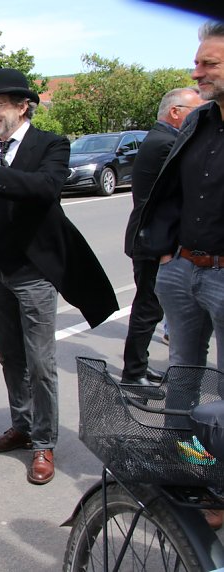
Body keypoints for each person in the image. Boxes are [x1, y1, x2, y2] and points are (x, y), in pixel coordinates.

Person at [0, 68, 118, 485]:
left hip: (33, 274)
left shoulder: (51, 145)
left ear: (22, 106)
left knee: (41, 363)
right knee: (10, 356)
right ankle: (22, 425)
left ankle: (44, 443)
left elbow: (46, 188)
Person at [135, 21, 224, 530]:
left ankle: (219, 490)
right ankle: (184, 469)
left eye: (208, 63)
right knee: (184, 377)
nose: (198, 72)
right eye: (198, 62)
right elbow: (168, 189)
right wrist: (168, 254)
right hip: (185, 268)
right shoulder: (200, 121)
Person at [121, 87, 203, 389]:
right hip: (153, 240)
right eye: (195, 111)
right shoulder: (167, 143)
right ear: (175, 112)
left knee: (149, 307)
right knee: (147, 308)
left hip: (150, 236)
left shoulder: (160, 138)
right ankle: (133, 374)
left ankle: (138, 367)